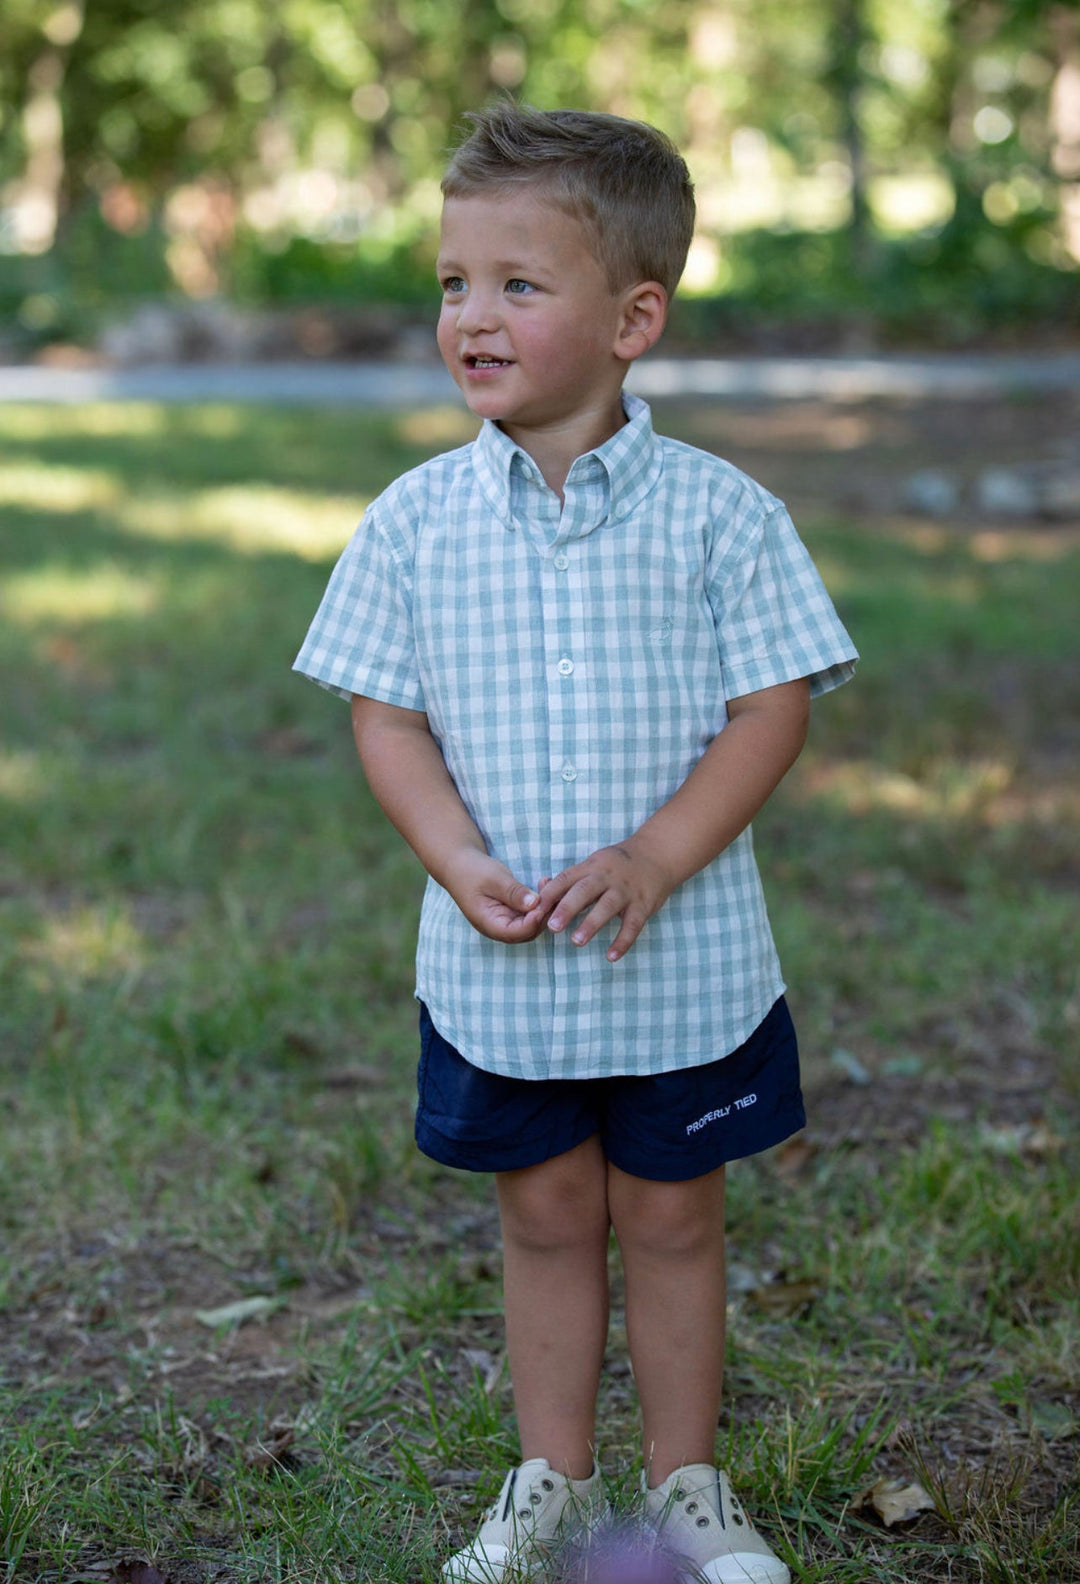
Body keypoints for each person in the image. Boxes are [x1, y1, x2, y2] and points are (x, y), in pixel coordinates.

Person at [294, 102, 857, 1584]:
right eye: (451, 283)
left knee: (671, 1217)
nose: (470, 316)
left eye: (517, 286)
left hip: (686, 965)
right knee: (545, 1213)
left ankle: (687, 1484)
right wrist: (449, 853)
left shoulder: (723, 518)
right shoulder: (412, 525)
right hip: (504, 965)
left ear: (634, 318)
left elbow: (772, 707)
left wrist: (663, 854)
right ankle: (549, 1475)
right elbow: (386, 718)